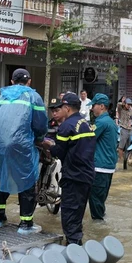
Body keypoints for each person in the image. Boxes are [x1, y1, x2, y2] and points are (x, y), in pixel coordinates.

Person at [0, 69, 48, 234]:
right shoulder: (33, 96)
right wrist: (40, 138)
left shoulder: (0, 97)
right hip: (20, 144)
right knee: (27, 179)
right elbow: (40, 124)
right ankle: (25, 224)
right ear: (29, 81)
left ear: (12, 81)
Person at [42, 93, 95, 246]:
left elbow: (59, 152)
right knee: (77, 215)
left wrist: (49, 146)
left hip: (74, 176)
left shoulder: (67, 126)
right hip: (87, 175)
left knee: (69, 216)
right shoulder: (85, 123)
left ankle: (73, 250)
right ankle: (77, 244)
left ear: (67, 108)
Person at [90, 93, 118, 220]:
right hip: (108, 166)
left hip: (100, 167)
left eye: (93, 105)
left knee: (96, 202)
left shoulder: (101, 122)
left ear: (101, 106)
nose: (92, 108)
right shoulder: (110, 122)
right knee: (100, 201)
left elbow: (87, 139)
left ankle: (98, 233)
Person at [117, 97, 132, 162]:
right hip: (123, 128)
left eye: (130, 105)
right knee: (121, 146)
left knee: (129, 145)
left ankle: (128, 159)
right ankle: (121, 160)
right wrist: (124, 102)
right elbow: (118, 104)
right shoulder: (121, 109)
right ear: (125, 104)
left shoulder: (130, 110)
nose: (129, 106)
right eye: (128, 104)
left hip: (130, 129)